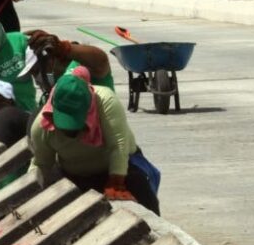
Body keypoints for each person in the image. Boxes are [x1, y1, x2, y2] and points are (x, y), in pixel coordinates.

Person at [28, 73, 160, 214]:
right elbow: (42, 164)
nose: (71, 131)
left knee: (142, 189)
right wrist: (31, 195)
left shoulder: (106, 102)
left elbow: (119, 146)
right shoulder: (41, 127)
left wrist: (116, 182)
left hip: (122, 166)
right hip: (75, 176)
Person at [22, 29, 116, 93]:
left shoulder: (81, 69)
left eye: (36, 69)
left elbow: (100, 60)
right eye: (32, 72)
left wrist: (62, 48)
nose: (36, 78)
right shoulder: (52, 91)